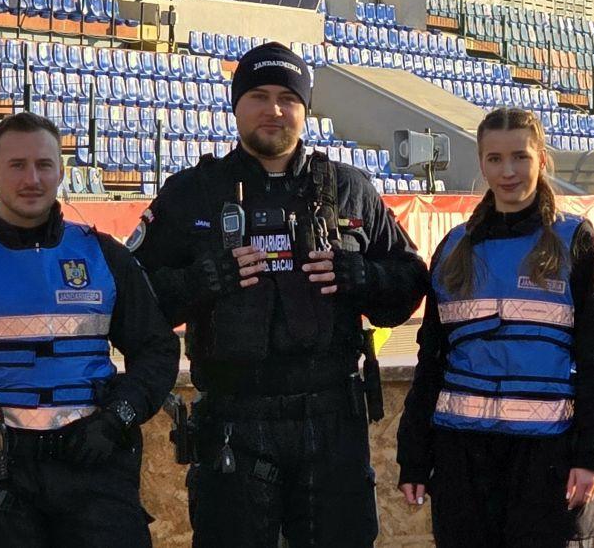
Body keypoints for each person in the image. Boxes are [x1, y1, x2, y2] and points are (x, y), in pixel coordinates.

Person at [131, 42, 428, 548]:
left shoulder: (349, 189)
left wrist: (362, 277)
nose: (274, 109)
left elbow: (408, 284)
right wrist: (202, 281)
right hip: (231, 423)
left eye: (288, 98)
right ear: (236, 106)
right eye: (259, 96)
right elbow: (135, 299)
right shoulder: (191, 193)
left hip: (332, 425)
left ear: (305, 110)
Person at [0, 112, 180, 547]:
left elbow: (158, 350)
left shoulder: (104, 255)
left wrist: (116, 418)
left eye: (44, 165)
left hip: (92, 465)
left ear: (61, 171)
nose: (32, 179)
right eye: (17, 165)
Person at [396, 107, 594, 548]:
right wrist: (414, 456)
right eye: (495, 159)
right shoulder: (453, 247)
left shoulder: (575, 241)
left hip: (549, 463)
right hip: (463, 463)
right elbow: (431, 364)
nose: (508, 171)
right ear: (481, 164)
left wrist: (591, 456)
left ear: (542, 159)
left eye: (520, 157)